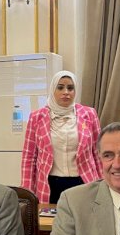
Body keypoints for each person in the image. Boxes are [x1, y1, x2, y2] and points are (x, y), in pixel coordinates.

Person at [21, 70, 102, 204]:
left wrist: (104, 183)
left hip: (83, 182)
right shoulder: (36, 117)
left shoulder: (89, 114)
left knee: (83, 216)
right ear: (53, 90)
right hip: (50, 185)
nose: (66, 92)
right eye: (60, 87)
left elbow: (98, 152)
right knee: (50, 217)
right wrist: (27, 191)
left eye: (70, 88)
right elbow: (29, 157)